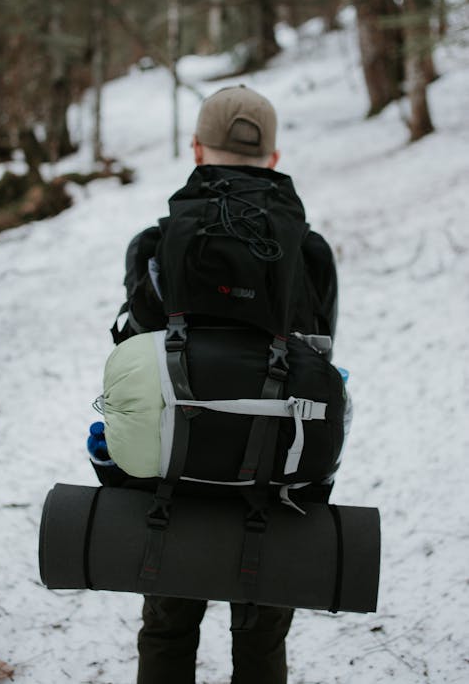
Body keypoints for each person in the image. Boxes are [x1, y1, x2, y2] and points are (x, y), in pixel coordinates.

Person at [110, 85, 338, 684]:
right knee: (261, 639)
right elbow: (320, 354)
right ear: (274, 158)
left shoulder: (157, 244)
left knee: (167, 627)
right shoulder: (308, 250)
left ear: (195, 149)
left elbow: (133, 349)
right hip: (274, 474)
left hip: (173, 472)